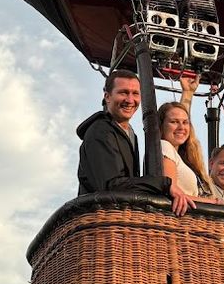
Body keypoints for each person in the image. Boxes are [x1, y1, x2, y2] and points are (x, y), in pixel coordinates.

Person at [77, 69, 196, 216]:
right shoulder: (100, 132)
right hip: (100, 220)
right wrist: (164, 184)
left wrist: (188, 94)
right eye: (123, 92)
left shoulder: (130, 134)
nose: (130, 100)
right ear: (107, 97)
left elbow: (129, 183)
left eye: (135, 93)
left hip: (120, 219)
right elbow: (111, 186)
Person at [159, 102, 224, 219]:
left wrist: (188, 92)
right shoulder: (164, 146)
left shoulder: (178, 156)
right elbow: (172, 192)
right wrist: (218, 203)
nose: (181, 127)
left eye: (185, 122)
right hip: (177, 218)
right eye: (174, 122)